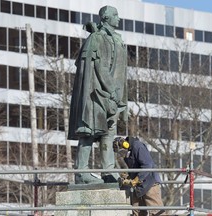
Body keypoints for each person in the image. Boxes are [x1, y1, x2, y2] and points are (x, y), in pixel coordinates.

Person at [68, 5, 128, 184]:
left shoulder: (116, 40)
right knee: (89, 133)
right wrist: (112, 91)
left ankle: (108, 171)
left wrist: (119, 97)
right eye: (115, 15)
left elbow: (120, 71)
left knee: (108, 135)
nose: (119, 18)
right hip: (96, 94)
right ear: (106, 18)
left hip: (113, 97)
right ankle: (81, 172)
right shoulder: (96, 38)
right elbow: (99, 67)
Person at [113, 136, 165, 216]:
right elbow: (136, 168)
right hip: (139, 187)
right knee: (137, 211)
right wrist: (128, 177)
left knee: (157, 212)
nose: (121, 155)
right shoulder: (130, 151)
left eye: (121, 151)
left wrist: (135, 180)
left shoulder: (138, 146)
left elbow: (147, 165)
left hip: (150, 184)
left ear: (125, 144)